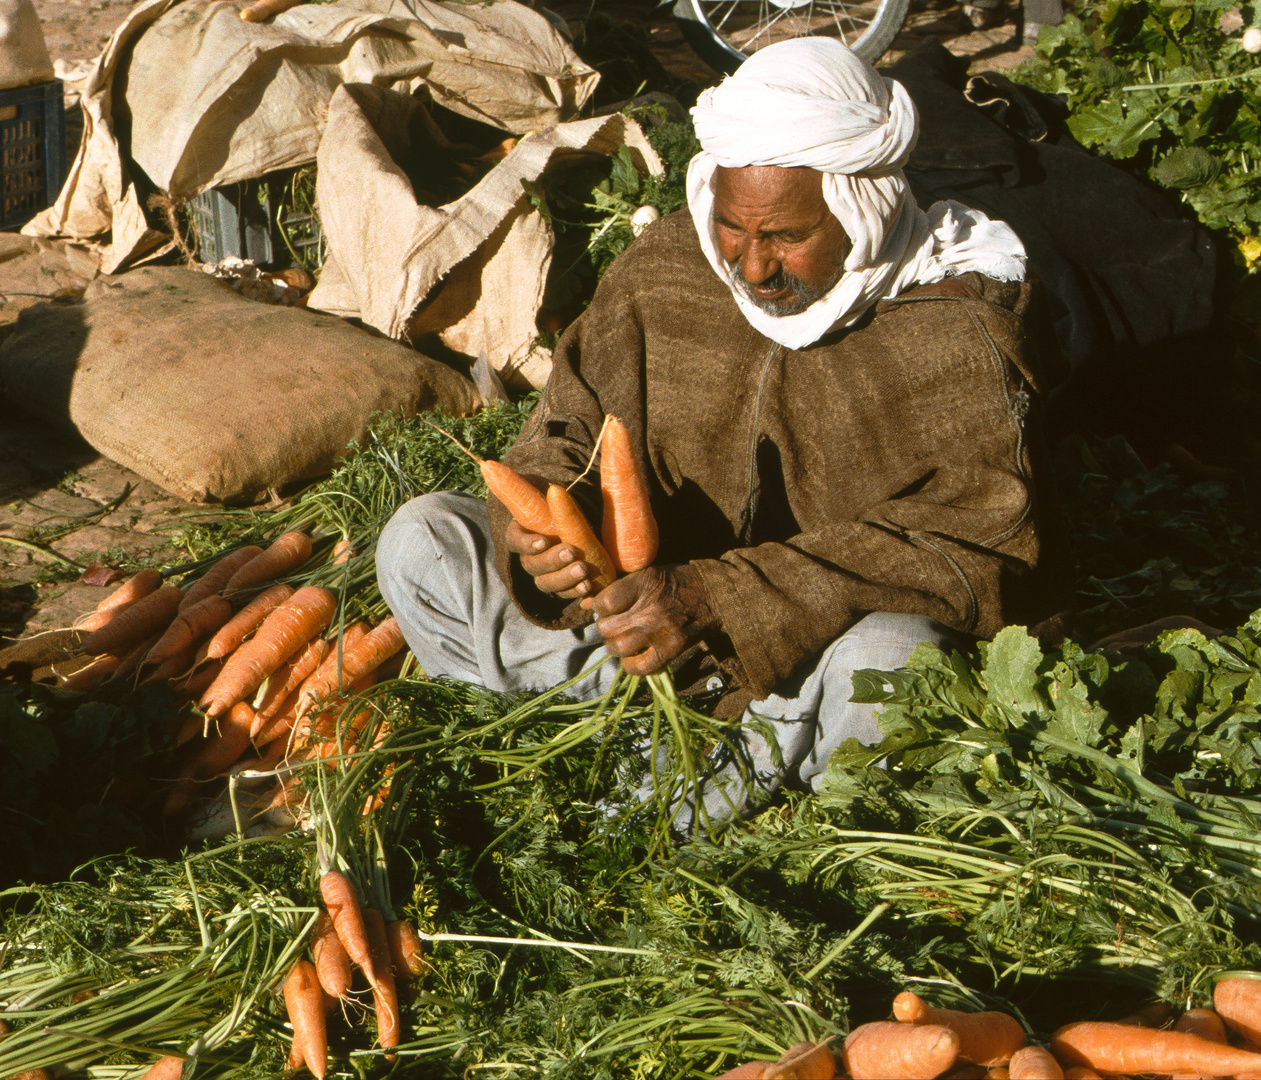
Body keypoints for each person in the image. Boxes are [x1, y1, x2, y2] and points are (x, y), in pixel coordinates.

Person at [376, 38, 1070, 824]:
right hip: (634, 629)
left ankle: (707, 782)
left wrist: (725, 597)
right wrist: (543, 528)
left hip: (798, 668)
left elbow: (968, 547)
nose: (751, 266)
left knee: (891, 662)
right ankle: (641, 755)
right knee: (424, 539)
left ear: (861, 208)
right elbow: (569, 423)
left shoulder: (955, 329)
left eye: (784, 236)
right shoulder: (670, 266)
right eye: (734, 228)